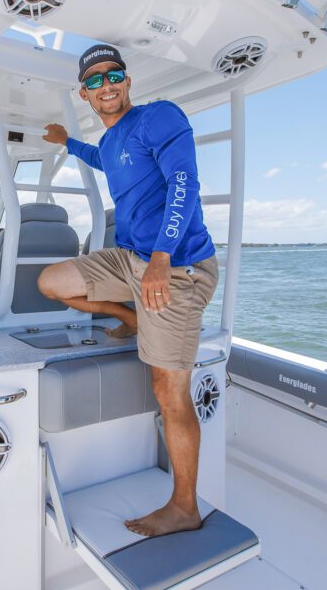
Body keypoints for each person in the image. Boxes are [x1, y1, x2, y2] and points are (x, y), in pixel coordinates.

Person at [37, 44, 219, 537]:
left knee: (169, 389)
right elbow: (103, 158)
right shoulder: (115, 139)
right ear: (85, 94)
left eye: (112, 75)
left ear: (128, 80)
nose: (106, 85)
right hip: (131, 260)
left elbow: (185, 183)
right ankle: (136, 317)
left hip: (177, 265)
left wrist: (161, 259)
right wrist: (67, 142)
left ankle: (185, 506)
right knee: (51, 282)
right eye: (94, 81)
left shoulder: (159, 117)